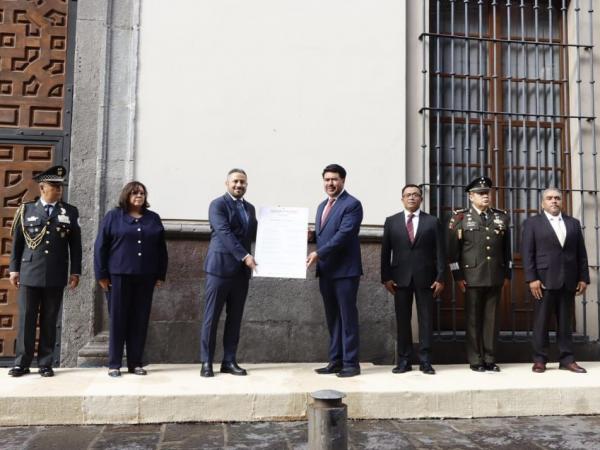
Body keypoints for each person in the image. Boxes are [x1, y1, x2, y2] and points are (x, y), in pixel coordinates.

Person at [8, 165, 82, 378]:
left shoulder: (69, 211)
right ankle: (21, 363)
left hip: (56, 273)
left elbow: (75, 245)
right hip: (30, 271)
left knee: (50, 319)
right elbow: (18, 244)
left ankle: (45, 363)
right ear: (42, 187)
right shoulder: (27, 210)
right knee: (27, 319)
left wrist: (75, 272)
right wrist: (14, 270)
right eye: (54, 186)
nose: (58, 190)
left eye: (60, 187)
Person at [94, 181, 168, 377]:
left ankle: (135, 363)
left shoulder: (153, 218)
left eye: (142, 193)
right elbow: (100, 246)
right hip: (118, 276)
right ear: (126, 195)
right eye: (135, 193)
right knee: (118, 320)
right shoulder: (113, 217)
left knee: (140, 319)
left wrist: (160, 274)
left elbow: (161, 249)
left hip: (146, 277)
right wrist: (101, 274)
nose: (139, 196)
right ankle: (114, 364)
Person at [521, 188, 590, 373]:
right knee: (541, 321)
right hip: (543, 281)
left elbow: (581, 254)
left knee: (566, 323)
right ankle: (540, 359)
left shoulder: (573, 223)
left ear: (562, 202)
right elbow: (527, 254)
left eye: (557, 198)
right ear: (542, 202)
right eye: (549, 198)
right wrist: (531, 278)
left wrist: (584, 278)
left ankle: (567, 359)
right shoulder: (532, 223)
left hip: (568, 280)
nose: (554, 201)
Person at [447, 176, 511, 372]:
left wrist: (507, 274)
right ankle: (476, 359)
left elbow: (506, 250)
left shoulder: (501, 217)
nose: (485, 196)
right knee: (473, 319)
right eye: (480, 193)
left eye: (487, 193)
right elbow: (453, 252)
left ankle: (490, 358)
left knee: (491, 319)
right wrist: (458, 277)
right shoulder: (459, 218)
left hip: (494, 275)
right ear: (470, 196)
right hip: (471, 276)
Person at [381, 184, 445, 375]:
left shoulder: (432, 221)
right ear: (402, 199)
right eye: (408, 195)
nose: (411, 198)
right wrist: (386, 277)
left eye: (416, 195)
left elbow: (441, 252)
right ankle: (404, 360)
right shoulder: (391, 222)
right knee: (403, 320)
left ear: (421, 199)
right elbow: (385, 252)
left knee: (426, 319)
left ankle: (425, 361)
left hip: (426, 278)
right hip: (399, 279)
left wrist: (441, 277)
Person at [200, 169, 257, 377]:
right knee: (211, 317)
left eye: (243, 182)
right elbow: (224, 232)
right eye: (235, 181)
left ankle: (229, 361)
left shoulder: (249, 209)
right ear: (227, 183)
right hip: (219, 270)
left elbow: (258, 233)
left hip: (241, 274)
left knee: (235, 318)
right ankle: (206, 362)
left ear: (246, 185)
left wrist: (294, 231)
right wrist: (245, 256)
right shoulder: (217, 205)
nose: (239, 185)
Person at [307, 164, 363, 378]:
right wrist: (311, 236)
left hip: (345, 271)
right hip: (326, 271)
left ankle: (350, 363)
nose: (330, 183)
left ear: (343, 181)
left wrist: (319, 253)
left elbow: (344, 234)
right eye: (327, 180)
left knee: (347, 317)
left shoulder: (352, 204)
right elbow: (326, 233)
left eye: (334, 179)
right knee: (333, 318)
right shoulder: (322, 206)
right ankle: (335, 361)